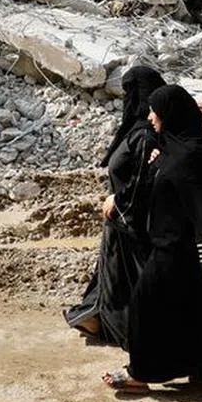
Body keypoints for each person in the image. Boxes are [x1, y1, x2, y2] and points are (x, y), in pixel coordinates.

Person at [103, 84, 202, 391]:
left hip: (180, 250)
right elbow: (154, 184)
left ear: (171, 114)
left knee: (144, 305)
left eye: (156, 111)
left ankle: (141, 372)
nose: (150, 117)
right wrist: (156, 162)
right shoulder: (177, 147)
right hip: (175, 245)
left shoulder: (191, 156)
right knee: (201, 312)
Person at [63, 66, 165, 347]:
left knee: (129, 283)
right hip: (120, 222)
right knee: (114, 280)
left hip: (134, 225)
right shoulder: (137, 131)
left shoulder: (146, 136)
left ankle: (140, 340)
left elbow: (145, 181)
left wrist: (120, 202)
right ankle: (97, 319)